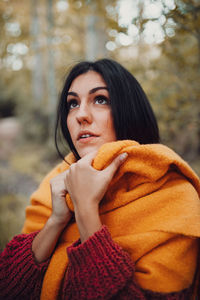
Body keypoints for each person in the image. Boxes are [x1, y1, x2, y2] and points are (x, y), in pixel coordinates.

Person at [0, 58, 200, 300]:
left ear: (130, 109)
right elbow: (8, 290)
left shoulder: (174, 197)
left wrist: (85, 211)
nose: (80, 115)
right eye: (73, 104)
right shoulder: (55, 183)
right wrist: (56, 221)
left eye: (100, 100)